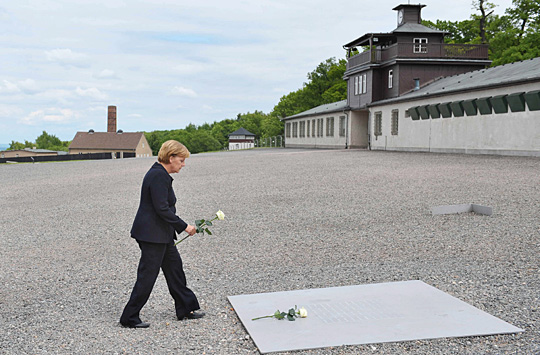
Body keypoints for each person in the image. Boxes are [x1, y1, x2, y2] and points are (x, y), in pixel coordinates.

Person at [120, 140, 204, 328]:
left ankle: (185, 308)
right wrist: (185, 226)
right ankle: (129, 317)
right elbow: (162, 209)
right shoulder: (158, 176)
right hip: (152, 236)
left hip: (161, 235)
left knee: (175, 270)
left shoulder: (159, 173)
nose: (183, 165)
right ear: (171, 157)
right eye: (181, 160)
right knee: (147, 276)